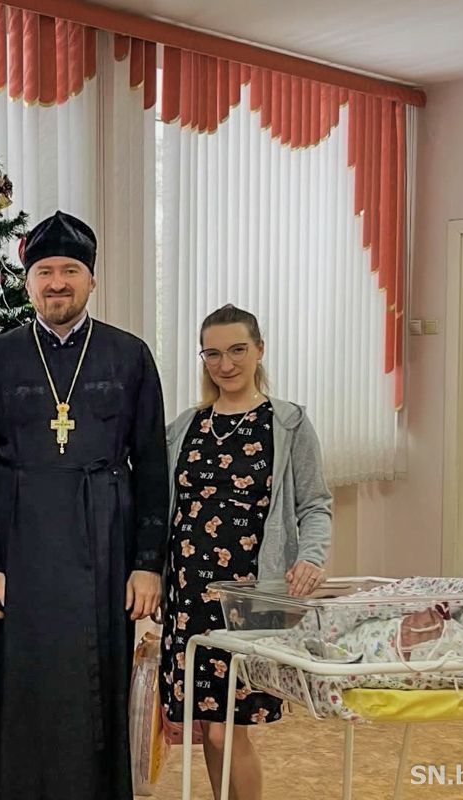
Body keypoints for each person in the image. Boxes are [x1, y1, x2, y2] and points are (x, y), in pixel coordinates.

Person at [0, 210, 169, 800]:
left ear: (92, 280)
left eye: (70, 271)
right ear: (28, 281)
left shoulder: (129, 355)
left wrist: (147, 563)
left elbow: (151, 465)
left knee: (93, 683)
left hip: (103, 539)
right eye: (45, 272)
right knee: (21, 684)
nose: (57, 283)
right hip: (19, 542)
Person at [161, 303, 332, 800]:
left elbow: (315, 504)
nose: (226, 363)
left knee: (227, 728)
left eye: (237, 350)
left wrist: (312, 557)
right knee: (209, 723)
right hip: (189, 596)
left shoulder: (288, 423)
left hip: (248, 600)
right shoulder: (186, 427)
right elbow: (164, 507)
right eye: (212, 354)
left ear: (259, 349)